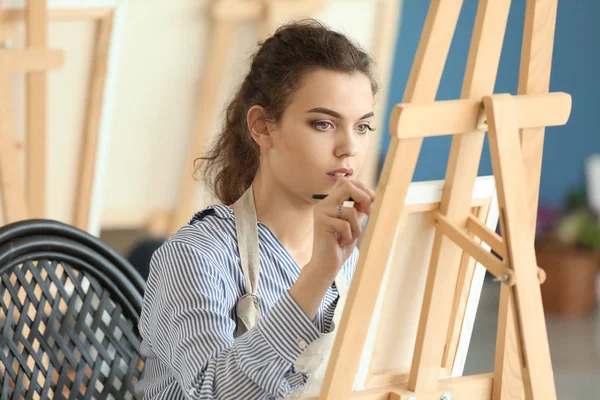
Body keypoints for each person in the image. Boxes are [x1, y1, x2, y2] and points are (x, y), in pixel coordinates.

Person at [135, 18, 378, 400]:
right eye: (323, 124)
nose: (349, 147)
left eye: (362, 127)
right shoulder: (195, 257)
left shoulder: (348, 258)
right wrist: (317, 274)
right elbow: (212, 392)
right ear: (263, 128)